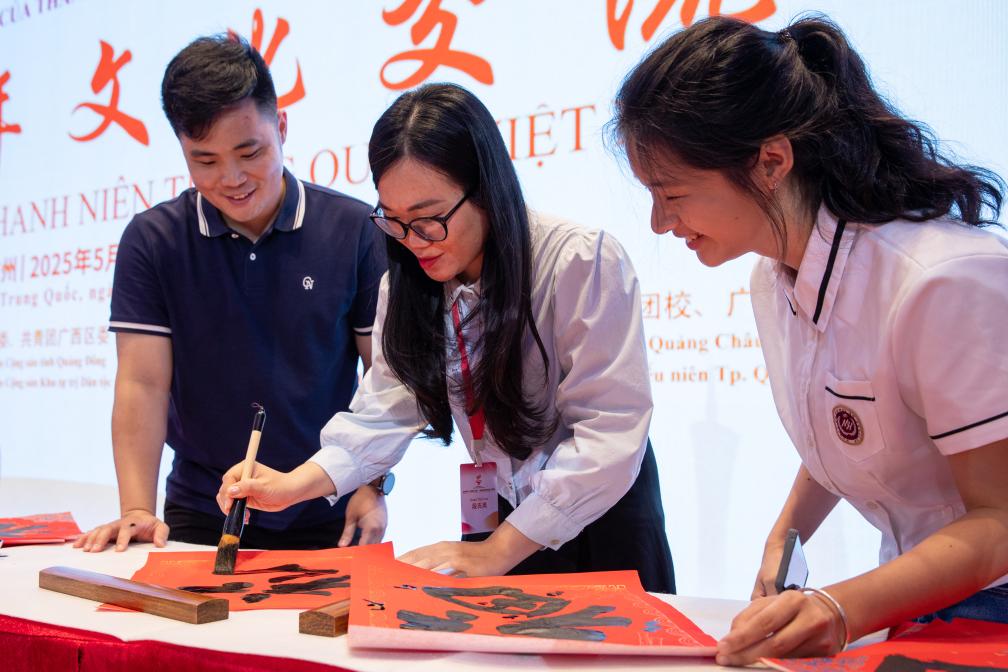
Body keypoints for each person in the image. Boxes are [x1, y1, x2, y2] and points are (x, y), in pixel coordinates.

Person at [613, 14, 1008, 664]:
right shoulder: (773, 281)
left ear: (771, 161)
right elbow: (850, 422)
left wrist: (841, 606)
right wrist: (784, 538)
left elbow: (1001, 520)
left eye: (671, 193)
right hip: (931, 590)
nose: (660, 222)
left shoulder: (940, 281)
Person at [216, 83, 676, 592]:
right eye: (394, 221)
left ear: (485, 189)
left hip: (598, 515)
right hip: (500, 509)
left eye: (429, 220)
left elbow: (609, 432)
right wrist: (289, 486)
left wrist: (497, 550)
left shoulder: (578, 261)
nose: (413, 241)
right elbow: (384, 409)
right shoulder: (405, 285)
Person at [74, 35, 387, 553]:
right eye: (205, 161)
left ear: (281, 127)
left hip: (328, 506)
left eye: (250, 152)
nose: (232, 179)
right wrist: (137, 510)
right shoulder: (154, 240)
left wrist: (373, 484)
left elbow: (383, 382)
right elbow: (142, 384)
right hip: (201, 512)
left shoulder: (354, 229)